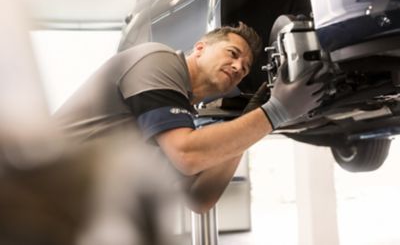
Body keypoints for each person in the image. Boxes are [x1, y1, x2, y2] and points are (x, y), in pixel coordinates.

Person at [54, 22, 324, 213]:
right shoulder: (156, 60)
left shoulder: (177, 118)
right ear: (199, 48)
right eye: (233, 53)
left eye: (245, 68)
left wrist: (252, 123)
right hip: (39, 196)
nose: (240, 66)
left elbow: (199, 197)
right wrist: (275, 112)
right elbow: (187, 155)